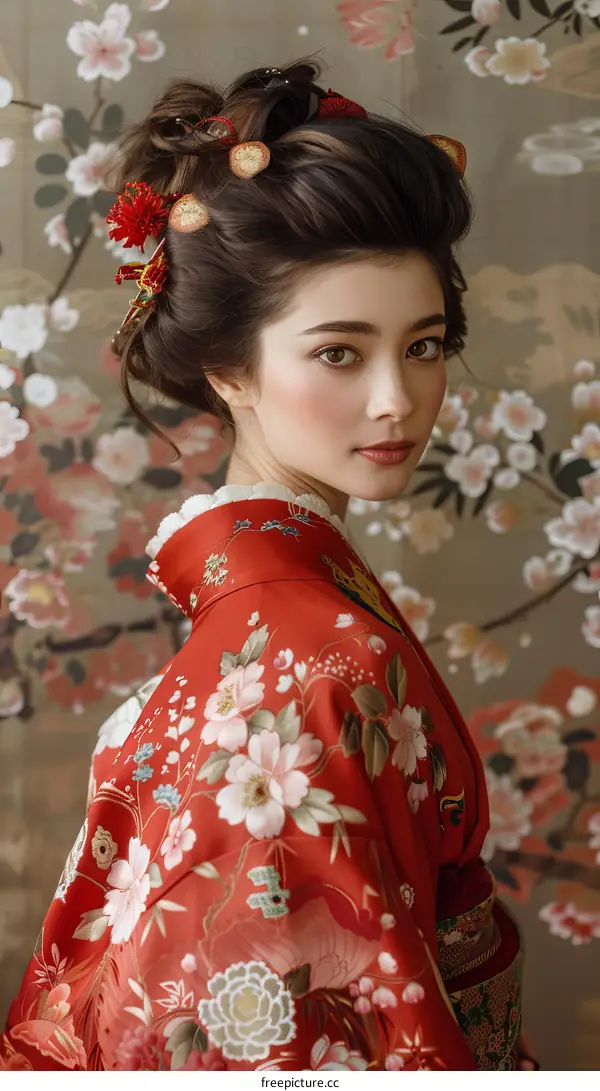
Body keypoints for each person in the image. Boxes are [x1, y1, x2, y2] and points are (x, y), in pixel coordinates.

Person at [1, 61, 531, 1072]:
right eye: (340, 352)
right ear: (229, 367)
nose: (399, 399)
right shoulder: (310, 658)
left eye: (424, 345)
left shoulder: (291, 626)